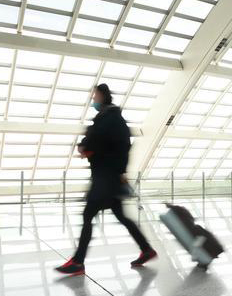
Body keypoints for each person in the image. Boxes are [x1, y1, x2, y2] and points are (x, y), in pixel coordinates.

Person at [55, 84, 157, 275]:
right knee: (122, 217)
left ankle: (78, 262)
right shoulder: (114, 119)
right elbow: (118, 145)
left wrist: (85, 147)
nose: (93, 100)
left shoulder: (107, 119)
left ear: (102, 96)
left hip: (105, 179)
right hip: (111, 178)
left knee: (87, 215)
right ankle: (146, 249)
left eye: (95, 96)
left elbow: (96, 138)